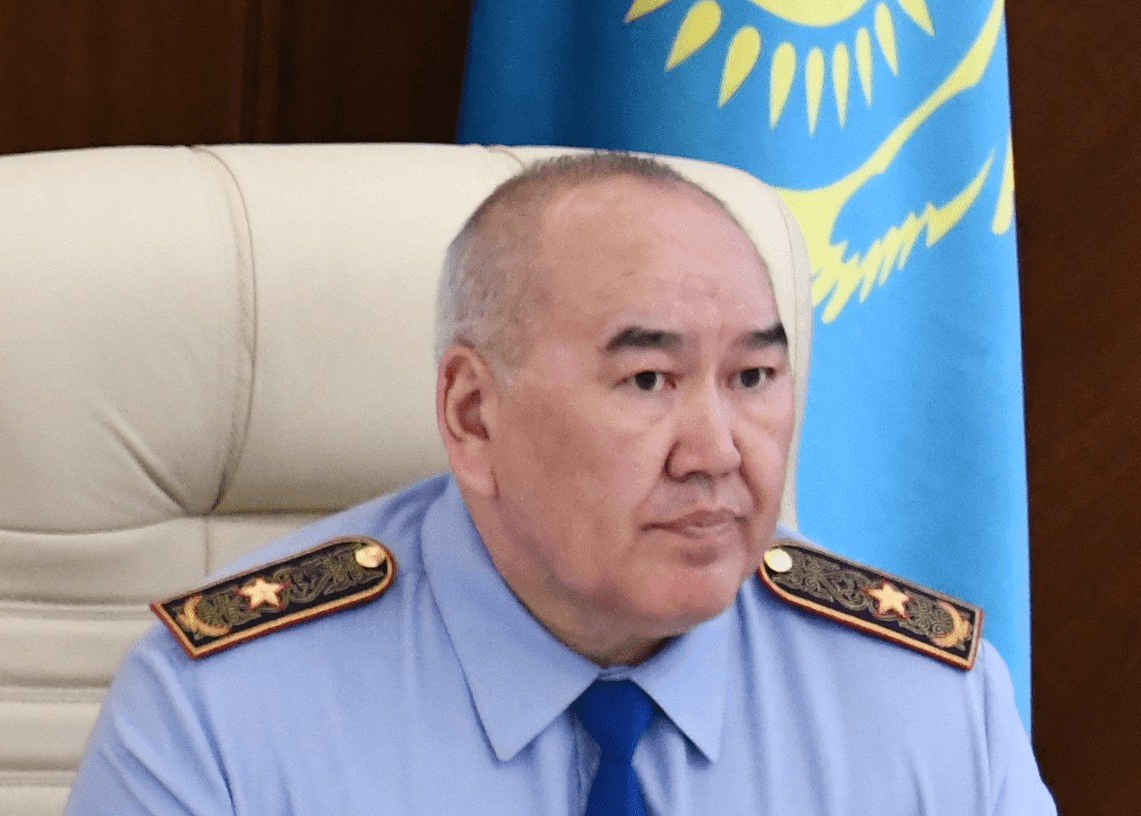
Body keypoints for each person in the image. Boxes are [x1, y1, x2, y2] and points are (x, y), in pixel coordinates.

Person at [65, 152, 1057, 815]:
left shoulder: (926, 705)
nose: (716, 450)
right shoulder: (223, 711)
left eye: (753, 377)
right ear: (473, 415)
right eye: (649, 380)